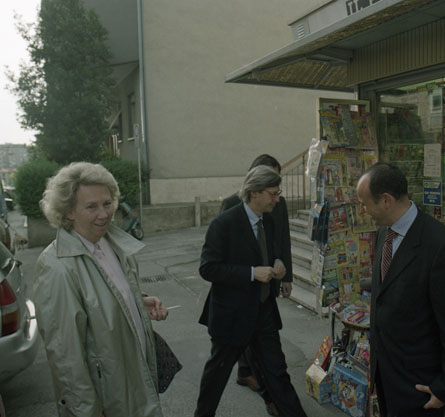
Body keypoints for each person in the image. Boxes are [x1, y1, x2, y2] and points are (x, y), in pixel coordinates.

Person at [33, 162, 168, 417]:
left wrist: (137, 302)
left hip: (133, 381)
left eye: (107, 203)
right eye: (91, 206)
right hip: (106, 399)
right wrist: (86, 411)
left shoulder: (111, 244)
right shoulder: (56, 266)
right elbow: (65, 356)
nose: (104, 213)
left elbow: (103, 296)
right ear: (68, 212)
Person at [356, 163, 445, 417]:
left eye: (365, 204)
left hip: (419, 387)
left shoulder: (439, 244)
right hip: (386, 375)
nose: (362, 210)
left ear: (386, 201)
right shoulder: (383, 233)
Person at [195, 165, 307, 417]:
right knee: (216, 377)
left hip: (263, 311)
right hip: (232, 316)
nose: (277, 199)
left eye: (278, 193)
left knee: (277, 373)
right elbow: (208, 268)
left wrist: (278, 263)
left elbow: (272, 251)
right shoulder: (225, 223)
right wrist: (251, 273)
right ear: (255, 192)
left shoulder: (269, 219)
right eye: (273, 193)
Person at [219, 154, 293, 414]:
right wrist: (250, 273)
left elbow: (282, 239)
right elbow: (218, 260)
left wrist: (285, 273)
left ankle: (253, 379)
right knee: (239, 353)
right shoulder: (231, 206)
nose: (276, 195)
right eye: (271, 185)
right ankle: (268, 394)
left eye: (277, 183)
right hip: (240, 295)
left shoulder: (278, 204)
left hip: (266, 290)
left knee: (266, 350)